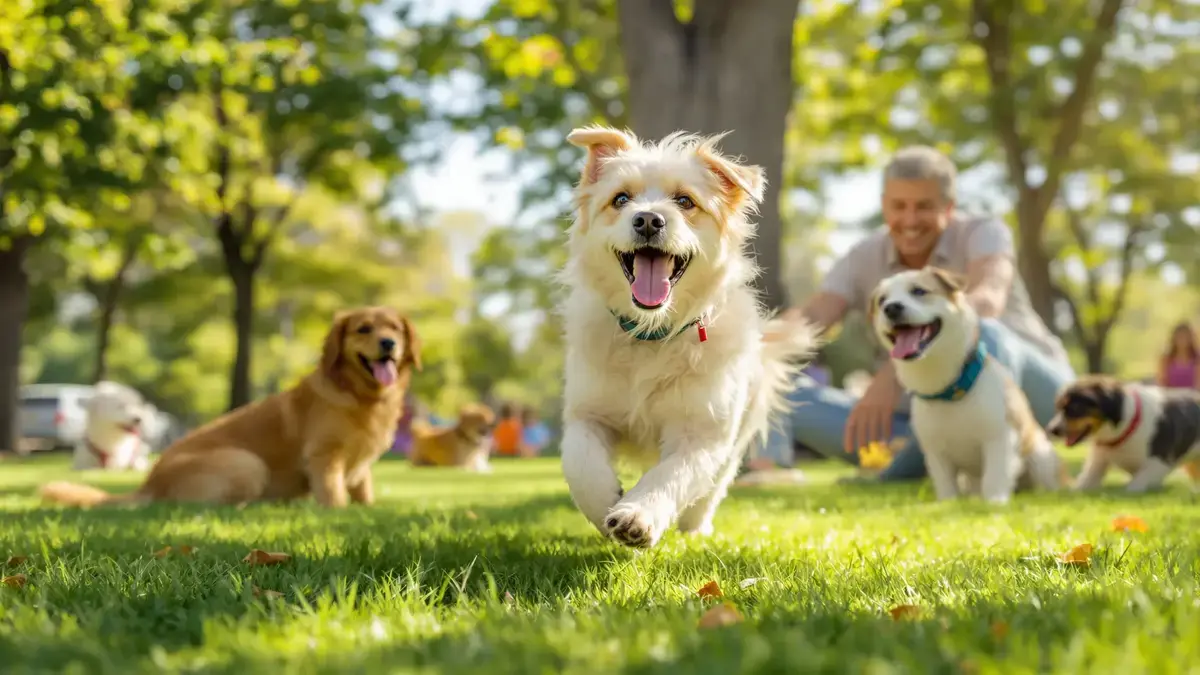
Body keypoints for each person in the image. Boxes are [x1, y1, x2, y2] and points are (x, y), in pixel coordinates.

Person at [751, 145, 1076, 482]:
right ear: (883, 206)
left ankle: (896, 475)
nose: (909, 220)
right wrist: (753, 346)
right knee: (774, 375)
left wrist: (895, 370)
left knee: (985, 331)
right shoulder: (864, 255)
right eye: (898, 206)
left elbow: (986, 301)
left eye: (923, 207)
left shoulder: (983, 233)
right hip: (921, 423)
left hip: (1037, 398)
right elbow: (816, 313)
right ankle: (769, 471)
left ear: (948, 208)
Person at [1157, 322, 1200, 390]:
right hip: (1171, 396)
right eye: (1179, 337)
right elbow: (1162, 382)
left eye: (1185, 337)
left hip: (1193, 396)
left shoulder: (1196, 358)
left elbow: (1198, 383)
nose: (1182, 340)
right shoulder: (1166, 358)